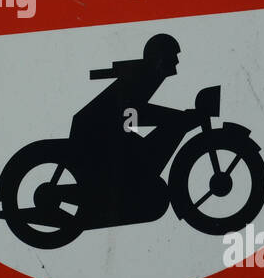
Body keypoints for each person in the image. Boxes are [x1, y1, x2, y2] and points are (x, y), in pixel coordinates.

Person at [67, 34, 200, 199]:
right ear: (160, 58)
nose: (177, 62)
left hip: (104, 127)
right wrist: (177, 118)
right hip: (95, 131)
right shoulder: (146, 75)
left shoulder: (150, 74)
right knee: (141, 159)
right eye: (173, 56)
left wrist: (177, 118)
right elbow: (133, 112)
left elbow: (133, 113)